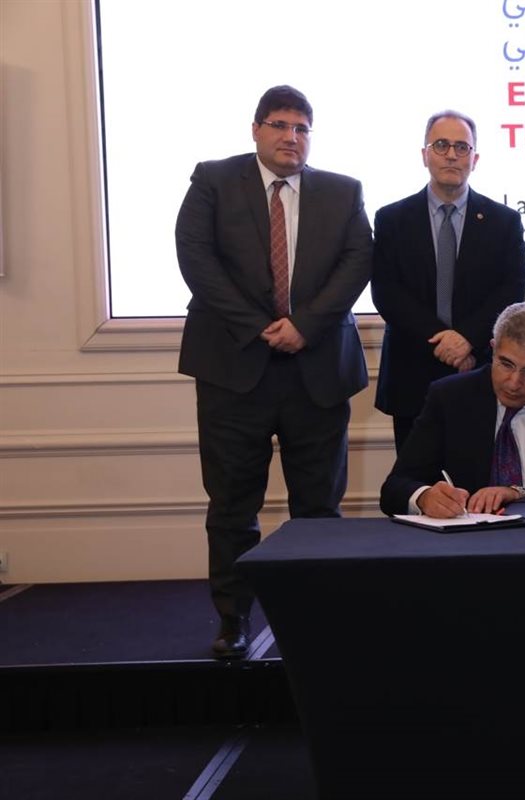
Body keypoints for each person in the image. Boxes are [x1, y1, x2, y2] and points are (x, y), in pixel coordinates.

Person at [175, 85, 372, 658]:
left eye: (302, 128)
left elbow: (358, 260)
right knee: (232, 506)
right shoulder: (214, 180)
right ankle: (233, 619)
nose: (292, 137)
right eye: (281, 125)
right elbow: (196, 258)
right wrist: (261, 325)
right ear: (257, 129)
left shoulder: (343, 191)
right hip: (234, 367)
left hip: (317, 369)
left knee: (319, 508)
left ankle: (315, 621)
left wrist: (304, 325)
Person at [372, 110, 525, 455]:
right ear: (424, 154)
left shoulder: (503, 221)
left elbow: (512, 288)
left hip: (480, 369)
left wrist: (467, 339)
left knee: (478, 476)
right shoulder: (392, 219)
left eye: (462, 147)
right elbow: (386, 292)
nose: (452, 155)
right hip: (411, 373)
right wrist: (444, 340)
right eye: (441, 145)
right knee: (415, 479)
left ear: (475, 158)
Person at [380, 303, 525, 518]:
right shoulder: (449, 397)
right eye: (506, 364)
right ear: (493, 350)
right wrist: (424, 497)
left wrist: (521, 495)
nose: (514, 383)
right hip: (463, 541)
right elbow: (395, 488)